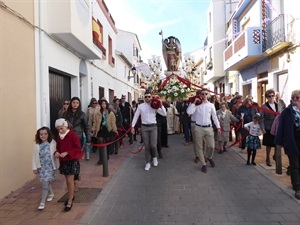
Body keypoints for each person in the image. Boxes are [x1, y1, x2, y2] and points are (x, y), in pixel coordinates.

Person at [187, 89, 221, 173]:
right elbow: (189, 112)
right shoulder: (197, 104)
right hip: (198, 128)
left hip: (208, 128)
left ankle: (209, 157)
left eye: (206, 94)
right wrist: (194, 103)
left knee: (211, 146)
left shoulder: (211, 105)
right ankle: (203, 164)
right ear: (200, 95)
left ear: (209, 95)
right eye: (203, 94)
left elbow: (214, 117)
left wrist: (218, 127)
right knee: (199, 147)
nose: (204, 95)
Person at [131, 91, 167, 171]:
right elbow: (136, 116)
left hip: (153, 127)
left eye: (149, 97)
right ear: (144, 98)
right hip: (144, 127)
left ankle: (154, 157)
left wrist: (161, 105)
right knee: (147, 146)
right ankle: (147, 162)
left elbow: (164, 114)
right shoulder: (140, 106)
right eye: (146, 97)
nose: (147, 98)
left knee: (153, 145)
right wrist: (132, 126)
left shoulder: (154, 105)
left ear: (151, 97)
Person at [275, 90, 300, 200]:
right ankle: (297, 188)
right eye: (293, 97)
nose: (294, 99)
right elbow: (281, 128)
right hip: (292, 141)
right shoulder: (287, 111)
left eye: (297, 97)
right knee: (294, 166)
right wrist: (279, 142)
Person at [63, 97, 91, 189]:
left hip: (77, 139)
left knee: (75, 159)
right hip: (67, 138)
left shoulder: (82, 114)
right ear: (71, 103)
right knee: (69, 158)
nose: (75, 104)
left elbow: (86, 127)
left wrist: (88, 139)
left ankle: (75, 178)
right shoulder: (66, 114)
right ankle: (70, 177)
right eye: (74, 102)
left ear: (79, 104)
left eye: (77, 103)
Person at [54, 118, 81, 212]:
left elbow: (77, 148)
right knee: (68, 180)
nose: (60, 131)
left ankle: (70, 201)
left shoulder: (72, 135)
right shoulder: (59, 137)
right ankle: (71, 195)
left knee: (70, 181)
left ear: (65, 126)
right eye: (58, 129)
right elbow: (58, 147)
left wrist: (67, 153)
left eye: (61, 128)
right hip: (64, 161)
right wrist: (56, 152)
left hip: (71, 160)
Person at [32, 127, 59, 210]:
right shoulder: (37, 145)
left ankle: (42, 202)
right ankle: (49, 195)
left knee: (46, 182)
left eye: (45, 134)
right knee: (45, 182)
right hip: (42, 167)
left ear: (48, 134)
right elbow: (34, 157)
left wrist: (58, 164)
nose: (43, 136)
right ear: (38, 135)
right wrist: (34, 167)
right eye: (41, 134)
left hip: (50, 167)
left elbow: (56, 154)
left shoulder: (53, 143)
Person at [260, 89, 282, 166]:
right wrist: (262, 128)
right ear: (266, 97)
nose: (271, 97)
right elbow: (261, 118)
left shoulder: (278, 105)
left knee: (277, 143)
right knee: (269, 144)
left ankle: (275, 155)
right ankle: (268, 158)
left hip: (277, 127)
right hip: (268, 127)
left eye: (272, 95)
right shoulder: (263, 106)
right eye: (269, 96)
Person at [92, 99, 118, 164]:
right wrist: (93, 129)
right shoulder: (98, 113)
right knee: (101, 143)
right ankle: (101, 158)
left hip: (108, 130)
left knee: (107, 144)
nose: (103, 105)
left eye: (104, 104)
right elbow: (95, 122)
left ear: (107, 105)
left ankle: (106, 156)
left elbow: (113, 122)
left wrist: (115, 130)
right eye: (102, 104)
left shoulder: (111, 113)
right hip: (100, 130)